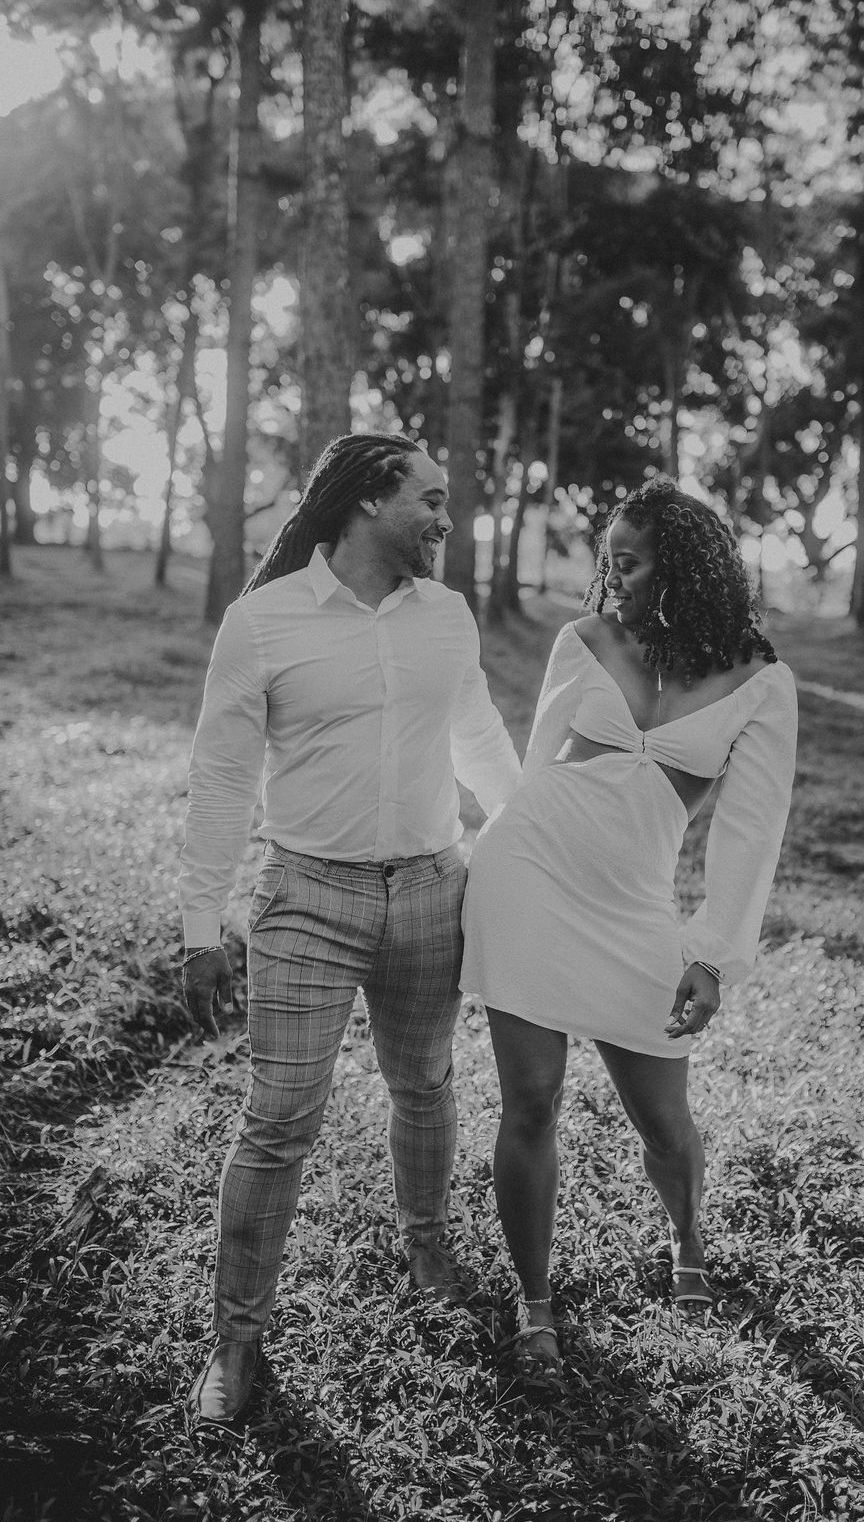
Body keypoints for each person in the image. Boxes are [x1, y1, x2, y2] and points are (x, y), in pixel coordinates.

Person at [179, 432, 520, 1426]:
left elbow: (479, 741)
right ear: (370, 500)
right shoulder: (263, 622)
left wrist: (539, 836)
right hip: (307, 900)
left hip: (430, 892)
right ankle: (235, 1347)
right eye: (431, 496)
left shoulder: (447, 617)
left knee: (425, 1085)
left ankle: (426, 1252)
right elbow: (222, 778)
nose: (446, 518)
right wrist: (201, 924)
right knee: (278, 1120)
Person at [460, 478, 798, 1371]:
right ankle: (536, 1310)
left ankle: (688, 1245)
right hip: (528, 873)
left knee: (663, 1121)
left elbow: (750, 831)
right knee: (530, 1101)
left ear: (684, 568)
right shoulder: (586, 640)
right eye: (607, 558)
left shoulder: (762, 684)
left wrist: (715, 956)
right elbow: (536, 771)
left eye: (630, 559)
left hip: (635, 910)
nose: (612, 576)